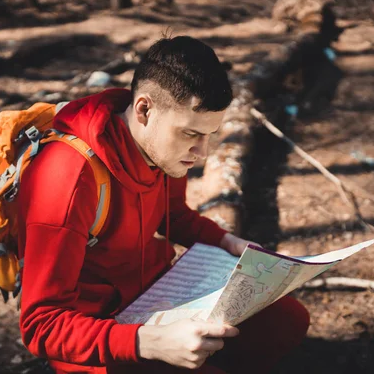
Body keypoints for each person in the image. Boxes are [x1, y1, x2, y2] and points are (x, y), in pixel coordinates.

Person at [17, 36, 310, 374]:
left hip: (158, 296)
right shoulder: (68, 177)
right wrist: (151, 342)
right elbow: (42, 325)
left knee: (287, 321)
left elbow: (173, 214)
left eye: (209, 134)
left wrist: (228, 242)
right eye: (190, 134)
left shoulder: (163, 150)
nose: (201, 153)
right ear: (144, 109)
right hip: (101, 336)